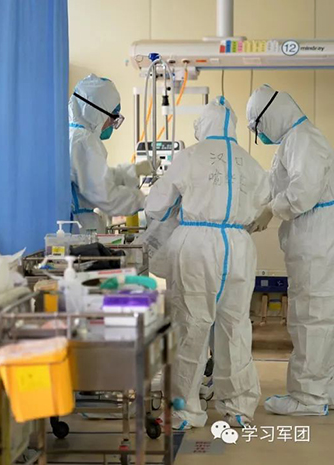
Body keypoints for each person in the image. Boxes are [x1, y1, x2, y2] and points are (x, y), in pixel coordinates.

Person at [145, 97, 270, 429]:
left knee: (191, 324)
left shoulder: (189, 156)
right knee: (235, 326)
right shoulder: (250, 162)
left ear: (203, 125)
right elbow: (262, 205)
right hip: (238, 245)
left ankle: (185, 410)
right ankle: (239, 407)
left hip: (197, 245)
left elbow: (156, 205)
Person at [247, 85, 334, 416]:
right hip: (313, 241)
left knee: (311, 318)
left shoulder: (303, 139)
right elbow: (277, 184)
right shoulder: (294, 140)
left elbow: (302, 193)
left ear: (269, 117)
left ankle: (307, 398)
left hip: (316, 243)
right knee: (320, 318)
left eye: (258, 128)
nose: (260, 136)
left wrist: (271, 210)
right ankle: (324, 390)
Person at [69, 74, 151, 232]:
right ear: (96, 112)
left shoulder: (72, 135)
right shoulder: (84, 141)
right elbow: (107, 197)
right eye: (112, 116)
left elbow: (96, 177)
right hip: (79, 228)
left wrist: (132, 171)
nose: (112, 124)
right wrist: (146, 201)